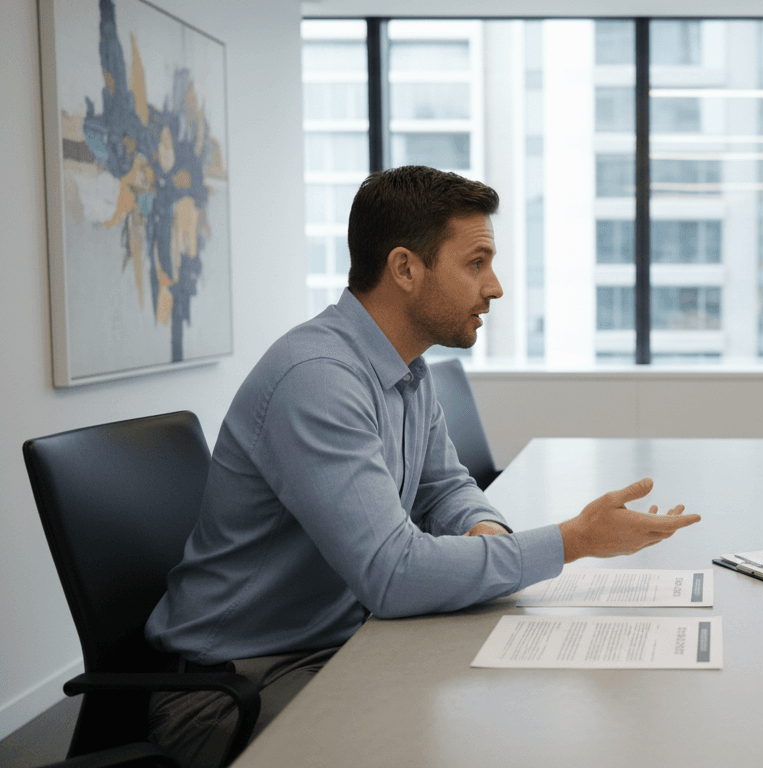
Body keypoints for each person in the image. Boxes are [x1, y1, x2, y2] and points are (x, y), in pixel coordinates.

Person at [144, 165, 702, 767]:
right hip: (236, 688)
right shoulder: (317, 381)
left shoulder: (405, 368)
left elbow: (444, 488)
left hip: (338, 645)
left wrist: (485, 531)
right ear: (406, 268)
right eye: (476, 263)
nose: (495, 287)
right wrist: (572, 541)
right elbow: (393, 575)